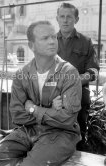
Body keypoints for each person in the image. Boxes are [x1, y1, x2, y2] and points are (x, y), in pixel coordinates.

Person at [0, 21, 82, 166]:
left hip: (60, 134)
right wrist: (51, 111)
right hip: (27, 131)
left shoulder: (69, 73)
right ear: (31, 45)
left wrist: (33, 108)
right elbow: (17, 116)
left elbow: (67, 120)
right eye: (45, 38)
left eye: (54, 37)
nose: (52, 41)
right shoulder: (21, 74)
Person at [56, 2, 99, 146]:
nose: (65, 20)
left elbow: (93, 72)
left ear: (77, 19)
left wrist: (75, 80)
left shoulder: (86, 42)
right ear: (57, 19)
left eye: (69, 16)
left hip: (79, 100)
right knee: (54, 139)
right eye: (62, 16)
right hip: (54, 100)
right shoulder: (49, 42)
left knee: (78, 139)